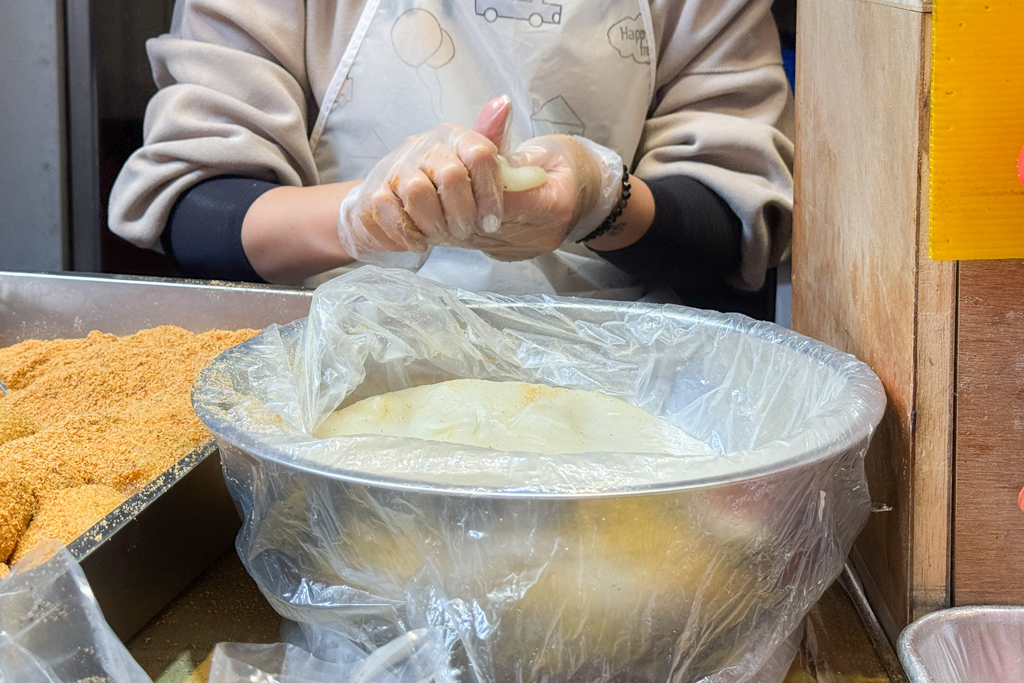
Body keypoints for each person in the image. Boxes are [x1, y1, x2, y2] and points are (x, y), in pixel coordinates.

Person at [108, 0, 793, 317]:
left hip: (621, 402)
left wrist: (597, 200)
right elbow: (198, 210)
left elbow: (729, 226)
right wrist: (361, 216)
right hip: (336, 403)